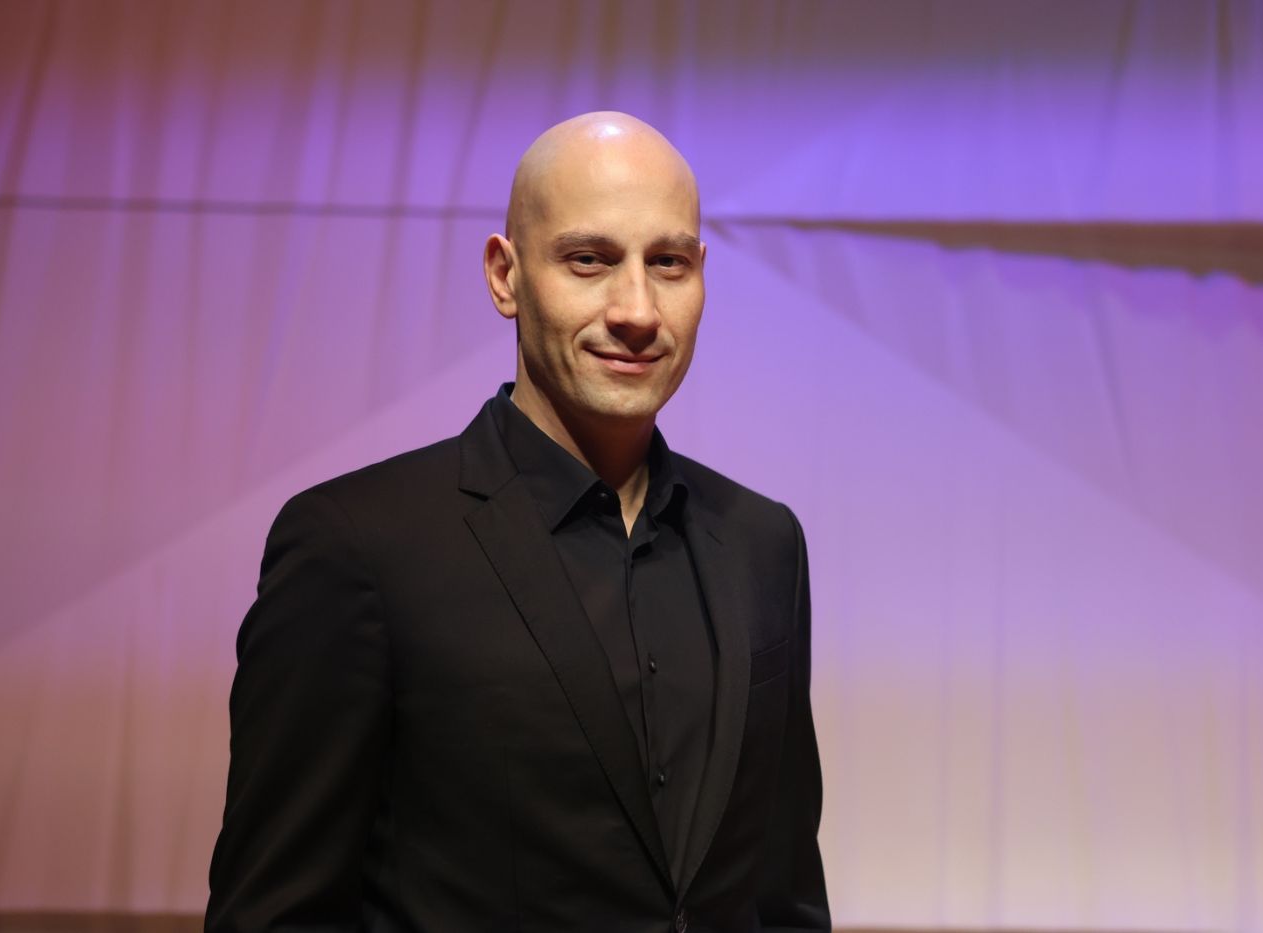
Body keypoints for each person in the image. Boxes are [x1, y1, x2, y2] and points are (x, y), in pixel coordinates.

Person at [205, 112, 829, 932]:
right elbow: (276, 912)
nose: (637, 309)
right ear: (506, 276)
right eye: (589, 260)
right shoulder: (356, 546)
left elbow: (783, 897)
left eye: (667, 262)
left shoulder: (762, 544)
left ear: (702, 276)